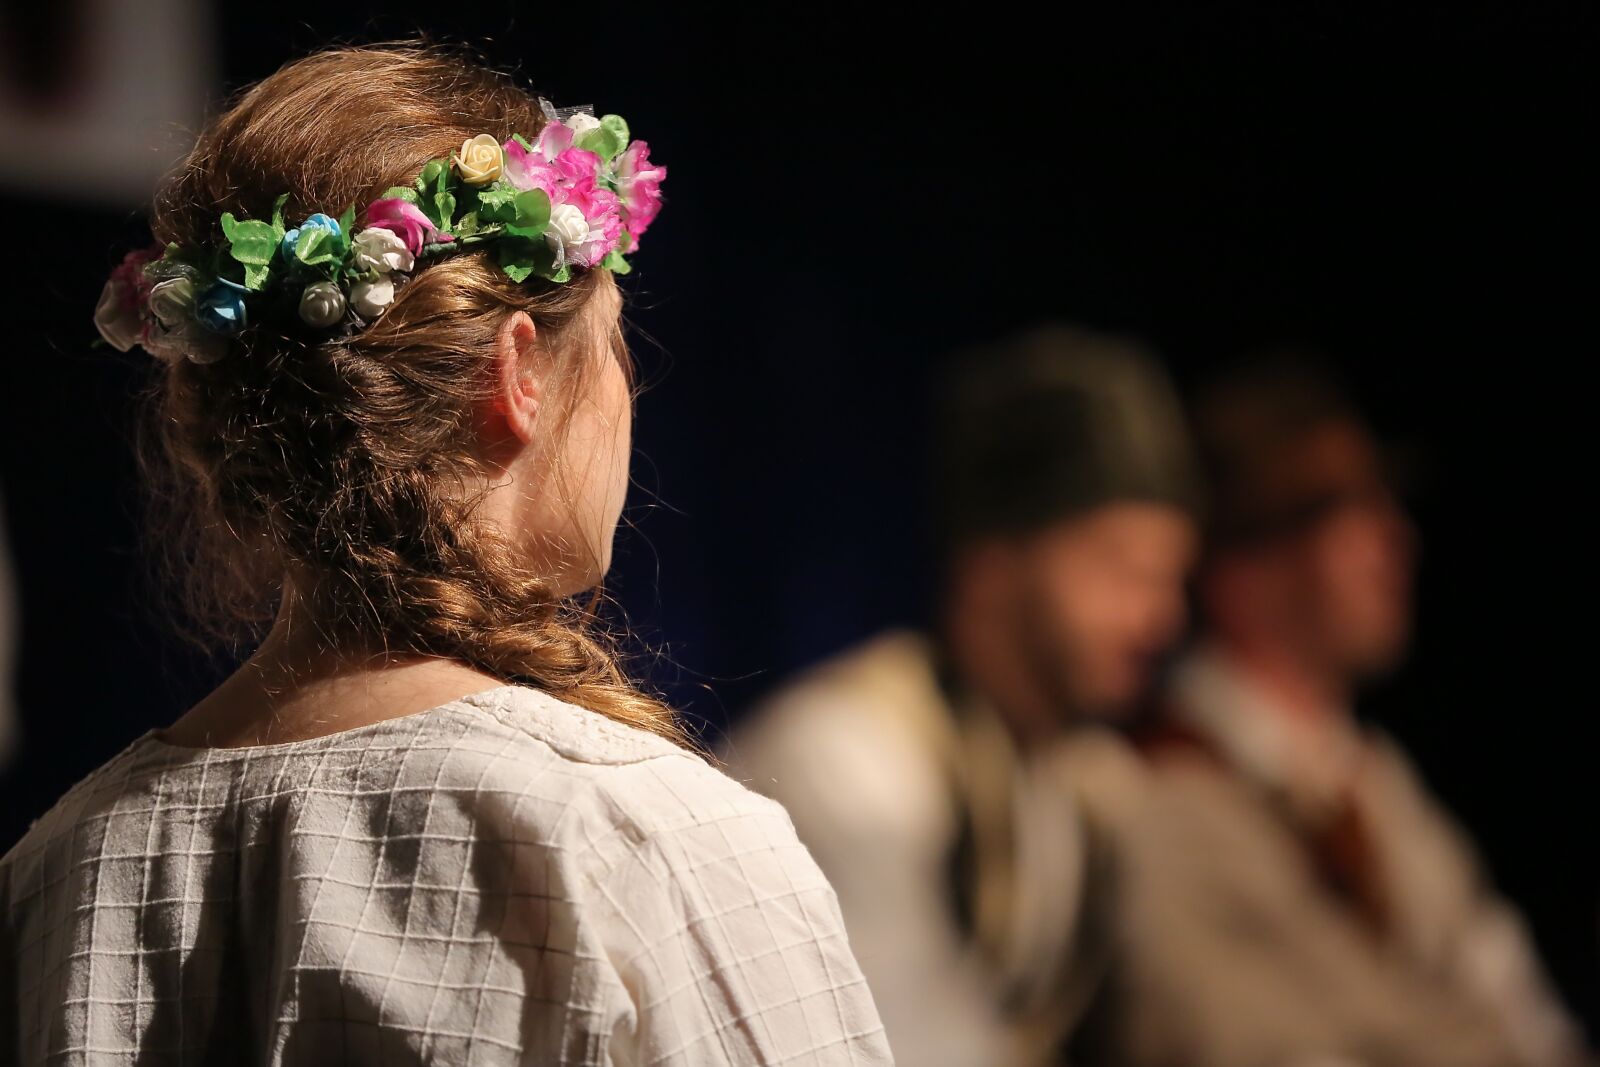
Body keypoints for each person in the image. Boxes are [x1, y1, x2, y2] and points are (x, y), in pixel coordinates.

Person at [0, 44, 892, 1065]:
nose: (628, 393)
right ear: (514, 373)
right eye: (611, 343)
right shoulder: (635, 839)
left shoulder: (55, 872)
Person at [722, 325, 1202, 1066]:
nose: (1159, 616)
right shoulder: (849, 760)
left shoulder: (1079, 783)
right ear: (992, 567)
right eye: (1118, 567)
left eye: (1169, 577)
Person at [1089, 357, 1589, 1067]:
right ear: (1239, 568)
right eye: (1342, 512)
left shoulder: (1378, 786)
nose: (1393, 540)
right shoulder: (1157, 797)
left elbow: (1522, 1015)